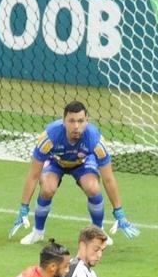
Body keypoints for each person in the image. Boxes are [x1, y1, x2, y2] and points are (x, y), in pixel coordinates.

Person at [9, 100, 139, 245]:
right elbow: (33, 175)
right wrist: (24, 207)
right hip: (56, 161)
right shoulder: (49, 137)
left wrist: (119, 213)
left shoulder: (95, 140)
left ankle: (98, 233)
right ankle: (38, 232)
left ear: (87, 120)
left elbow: (108, 179)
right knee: (47, 188)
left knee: (93, 188)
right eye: (71, 121)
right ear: (64, 121)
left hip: (82, 162)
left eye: (80, 121)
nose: (76, 126)